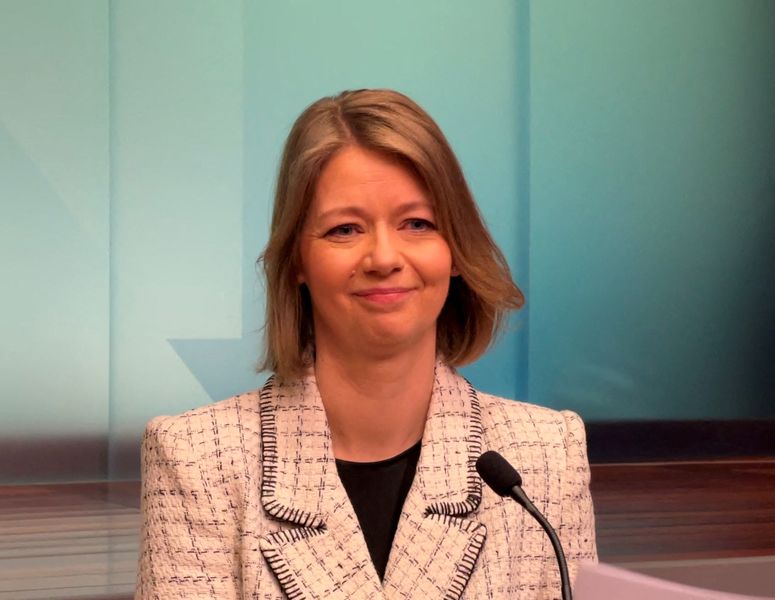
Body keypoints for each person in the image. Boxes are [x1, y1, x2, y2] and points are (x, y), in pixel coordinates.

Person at [136, 89, 596, 600]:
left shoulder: (546, 455)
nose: (383, 256)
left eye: (417, 224)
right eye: (344, 229)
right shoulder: (197, 460)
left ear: (457, 250)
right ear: (296, 261)